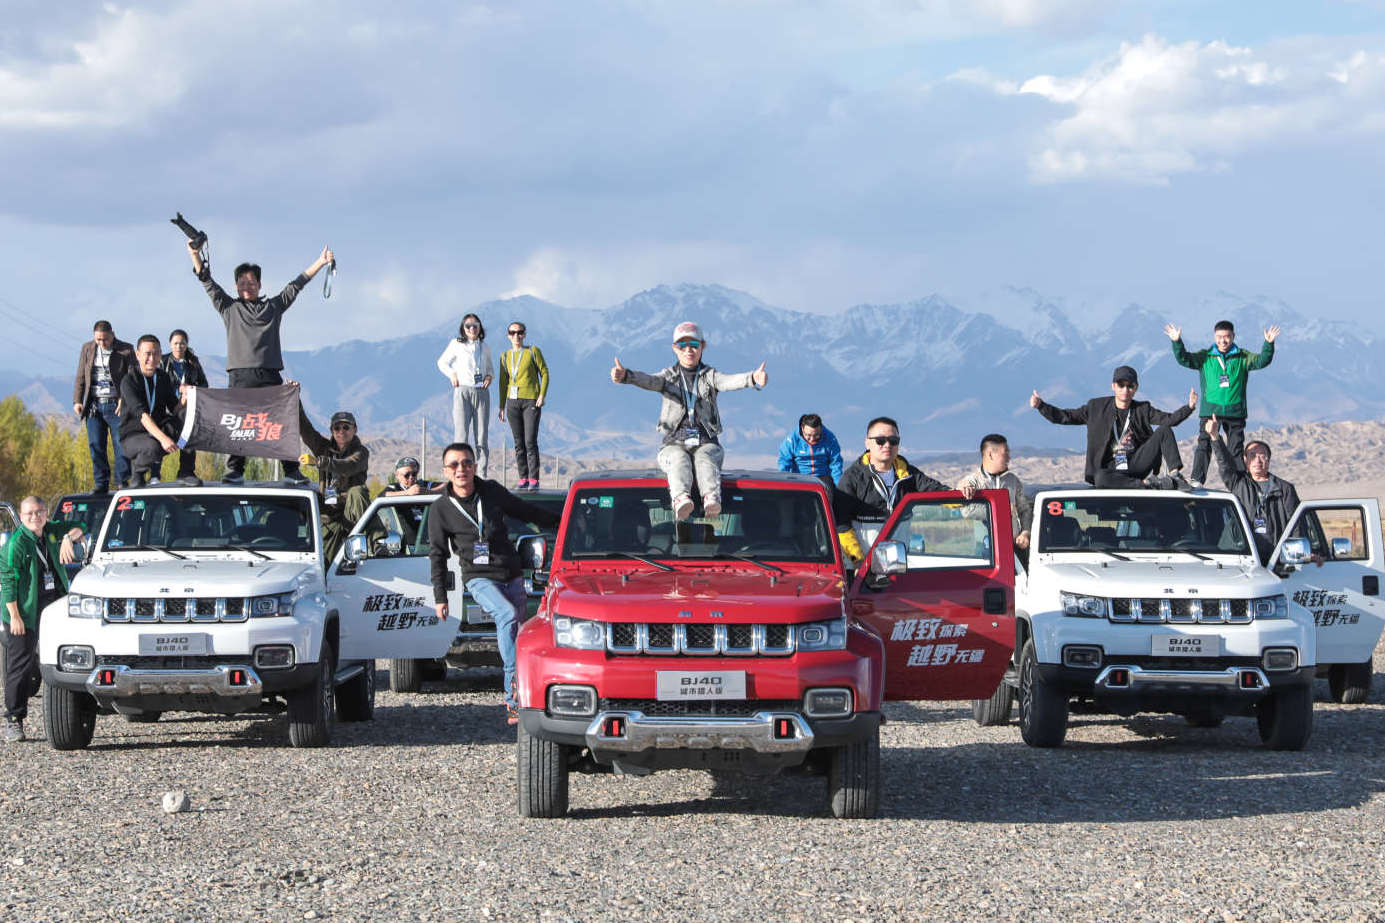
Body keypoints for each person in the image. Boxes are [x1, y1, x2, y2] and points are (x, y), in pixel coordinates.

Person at [427, 442, 561, 724]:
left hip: (511, 573)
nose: (461, 469)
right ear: (446, 471)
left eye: (466, 463)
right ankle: (513, 700)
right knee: (507, 616)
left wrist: (563, 522)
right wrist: (440, 597)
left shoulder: (492, 492)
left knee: (520, 635)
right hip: (478, 578)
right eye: (454, 465)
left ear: (474, 467)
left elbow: (527, 512)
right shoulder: (440, 509)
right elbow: (437, 555)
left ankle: (527, 695)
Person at [187, 240, 333, 484]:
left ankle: (291, 470)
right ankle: (235, 470)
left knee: (281, 421)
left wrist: (320, 262)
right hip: (240, 375)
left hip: (269, 374)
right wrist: (194, 253)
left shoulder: (273, 307)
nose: (247, 287)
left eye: (251, 283)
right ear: (236, 285)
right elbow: (206, 280)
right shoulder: (228, 307)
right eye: (242, 283)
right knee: (240, 424)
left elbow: (296, 286)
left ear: (259, 284)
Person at [610, 322, 769, 520]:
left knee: (705, 459)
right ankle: (680, 499)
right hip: (673, 444)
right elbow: (649, 380)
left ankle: (711, 499)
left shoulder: (710, 377)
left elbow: (728, 381)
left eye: (694, 344)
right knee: (678, 459)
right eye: (682, 345)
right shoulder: (668, 377)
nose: (688, 350)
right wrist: (626, 376)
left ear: (703, 346)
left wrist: (753, 378)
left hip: (707, 442)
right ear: (674, 349)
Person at [1031, 365, 1197, 490]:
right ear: (1113, 386)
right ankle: (1146, 485)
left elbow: (1169, 420)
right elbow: (1066, 417)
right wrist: (1041, 406)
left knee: (1164, 429)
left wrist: (1188, 407)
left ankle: (1175, 477)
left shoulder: (1142, 409)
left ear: (1136, 388)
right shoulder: (1095, 407)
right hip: (1111, 469)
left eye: (1130, 386)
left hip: (1136, 462)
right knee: (1100, 478)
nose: (1125, 390)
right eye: (1121, 385)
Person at [1, 497, 84, 742]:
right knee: (20, 667)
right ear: (22, 515)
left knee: (66, 655)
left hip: (52, 603)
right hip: (22, 611)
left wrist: (68, 538)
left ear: (46, 513)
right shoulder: (16, 544)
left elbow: (81, 526)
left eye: (39, 512)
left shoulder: (50, 530)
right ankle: (14, 720)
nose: (35, 517)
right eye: (29, 513)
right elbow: (8, 584)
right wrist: (15, 616)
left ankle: (77, 708)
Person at [1165, 320, 1280, 487]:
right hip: (1211, 410)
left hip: (1235, 412)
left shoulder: (1243, 356)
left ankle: (1241, 482)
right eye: (1219, 337)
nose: (1223, 341)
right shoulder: (1205, 356)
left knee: (1235, 449)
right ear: (1214, 337)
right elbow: (1185, 359)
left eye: (1227, 337)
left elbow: (1262, 361)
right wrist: (1177, 342)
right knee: (1204, 445)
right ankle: (1197, 480)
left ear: (1233, 337)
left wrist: (1268, 344)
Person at [835, 416, 947, 564]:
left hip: (897, 565)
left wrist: (962, 494)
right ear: (867, 443)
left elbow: (938, 491)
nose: (887, 445)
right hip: (861, 570)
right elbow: (841, 522)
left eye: (893, 441)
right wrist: (857, 560)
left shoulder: (909, 475)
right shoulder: (852, 478)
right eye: (880, 440)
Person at [1206, 415, 1303, 564]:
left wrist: (1298, 555)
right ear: (1245, 460)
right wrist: (1214, 436)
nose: (1257, 460)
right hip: (1243, 558)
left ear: (1268, 460)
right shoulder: (1238, 483)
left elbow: (1296, 525)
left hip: (1276, 558)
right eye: (1252, 456)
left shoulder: (1284, 489)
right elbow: (1224, 463)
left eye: (1262, 456)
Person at [119, 335, 195, 486]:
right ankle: (138, 473)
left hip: (158, 430)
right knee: (152, 447)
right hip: (134, 436)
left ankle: (186, 472)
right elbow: (142, 416)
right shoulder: (129, 380)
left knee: (189, 419)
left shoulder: (163, 377)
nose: (152, 358)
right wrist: (163, 439)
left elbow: (174, 408)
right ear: (138, 354)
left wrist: (185, 398)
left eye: (156, 353)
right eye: (148, 353)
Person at [297, 407, 370, 562]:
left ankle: (374, 540)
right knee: (326, 564)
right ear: (331, 430)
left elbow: (348, 467)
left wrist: (318, 462)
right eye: (336, 427)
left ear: (354, 429)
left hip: (353, 513)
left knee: (358, 491)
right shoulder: (323, 448)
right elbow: (305, 429)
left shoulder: (361, 452)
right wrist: (295, 399)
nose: (341, 431)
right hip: (330, 516)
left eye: (346, 427)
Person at [72, 320, 135, 494]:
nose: (101, 343)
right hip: (93, 405)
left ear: (112, 335)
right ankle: (101, 483)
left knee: (120, 444)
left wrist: (124, 398)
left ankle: (122, 481)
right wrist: (77, 400)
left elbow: (132, 377)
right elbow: (80, 376)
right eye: (98, 340)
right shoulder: (87, 348)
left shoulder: (126, 350)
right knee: (95, 445)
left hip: (116, 405)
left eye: (105, 339)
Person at [957, 433, 1034, 563]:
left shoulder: (1013, 481)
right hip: (985, 552)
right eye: (1006, 453)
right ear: (990, 455)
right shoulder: (972, 482)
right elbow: (966, 510)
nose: (1009, 458)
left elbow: (1024, 510)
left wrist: (1026, 532)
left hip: (1014, 548)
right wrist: (1000, 510)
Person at [436, 314, 494, 476]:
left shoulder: (485, 347)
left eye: (475, 325)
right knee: (461, 435)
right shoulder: (456, 344)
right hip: (462, 390)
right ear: (463, 328)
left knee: (481, 436)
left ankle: (481, 473)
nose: (472, 328)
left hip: (481, 392)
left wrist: (489, 377)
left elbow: (490, 368)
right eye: (468, 325)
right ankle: (459, 471)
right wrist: (452, 375)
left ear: (480, 327)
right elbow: (442, 362)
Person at [497, 321, 549, 491]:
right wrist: (501, 406)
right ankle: (523, 477)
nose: (516, 336)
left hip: (530, 401)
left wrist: (542, 395)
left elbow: (545, 372)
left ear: (524, 334)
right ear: (508, 336)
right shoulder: (504, 356)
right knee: (518, 443)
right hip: (512, 402)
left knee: (530, 441)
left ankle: (534, 478)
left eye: (519, 332)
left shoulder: (533, 351)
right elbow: (503, 381)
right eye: (512, 333)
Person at [777, 413, 843, 487]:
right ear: (802, 429)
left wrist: (839, 486)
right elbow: (784, 463)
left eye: (816, 435)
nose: (812, 439)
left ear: (821, 429)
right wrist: (784, 483)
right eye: (808, 435)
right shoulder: (792, 440)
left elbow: (836, 463)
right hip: (799, 477)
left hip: (822, 478)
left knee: (830, 493)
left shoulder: (830, 438)